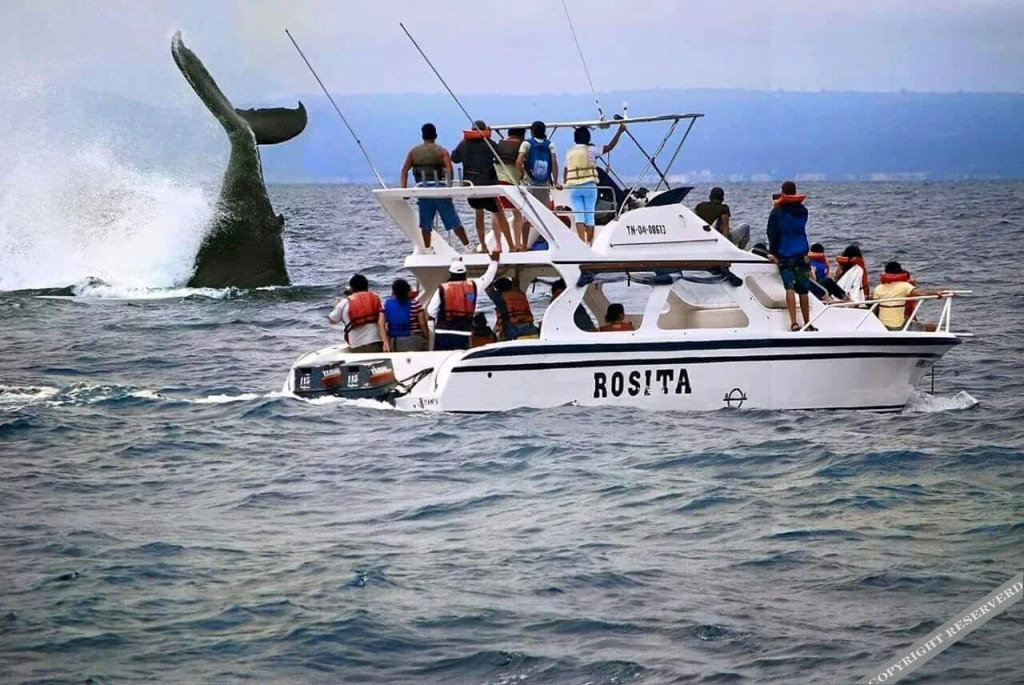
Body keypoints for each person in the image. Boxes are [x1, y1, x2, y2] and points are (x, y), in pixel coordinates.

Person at [400, 123, 471, 252]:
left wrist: (404, 191)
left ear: (422, 136)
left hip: (423, 192)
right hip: (440, 191)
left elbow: (404, 170)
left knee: (425, 224)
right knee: (454, 222)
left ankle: (427, 249)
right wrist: (449, 188)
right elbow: (449, 169)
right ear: (435, 135)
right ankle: (468, 247)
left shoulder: (413, 152)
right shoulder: (441, 151)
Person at [451, 120, 515, 252]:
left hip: (472, 186)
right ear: (484, 130)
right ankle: (511, 246)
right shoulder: (488, 143)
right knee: (499, 213)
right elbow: (500, 154)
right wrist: (489, 136)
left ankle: (484, 246)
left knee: (478, 214)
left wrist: (464, 142)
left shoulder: (464, 144)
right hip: (489, 184)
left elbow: (455, 158)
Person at [563, 123, 626, 243]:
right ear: (588, 139)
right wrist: (619, 131)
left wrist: (565, 185)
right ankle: (589, 241)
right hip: (589, 186)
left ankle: (581, 242)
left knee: (579, 216)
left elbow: (566, 170)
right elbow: (609, 147)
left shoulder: (569, 153)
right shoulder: (591, 150)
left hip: (574, 188)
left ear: (575, 139)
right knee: (589, 214)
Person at [766, 181, 813, 331]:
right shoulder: (803, 211)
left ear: (782, 192)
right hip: (801, 254)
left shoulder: (777, 212)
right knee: (804, 290)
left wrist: (773, 252)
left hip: (785, 254)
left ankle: (793, 322)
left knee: (789, 287)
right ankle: (807, 322)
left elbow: (772, 234)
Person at [427, 256, 498, 350]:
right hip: (463, 333)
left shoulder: (443, 288)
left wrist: (441, 319)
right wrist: (494, 261)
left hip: (443, 332)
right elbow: (487, 278)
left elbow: (431, 310)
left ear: (450, 274)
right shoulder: (473, 285)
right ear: (465, 274)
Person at [872, 261, 948, 332]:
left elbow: (874, 307)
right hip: (899, 327)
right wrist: (936, 293)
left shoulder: (878, 288)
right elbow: (921, 293)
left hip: (882, 326)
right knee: (932, 327)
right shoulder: (904, 286)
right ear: (900, 272)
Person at [516, 121, 559, 239]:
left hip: (529, 183)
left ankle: (524, 245)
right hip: (543, 184)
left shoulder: (526, 143)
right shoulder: (550, 145)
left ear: (532, 131)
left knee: (527, 216)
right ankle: (547, 240)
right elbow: (554, 162)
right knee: (545, 214)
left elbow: (519, 161)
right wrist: (555, 181)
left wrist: (522, 174)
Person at [327, 273, 383, 353]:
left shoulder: (344, 303)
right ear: (367, 287)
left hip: (357, 347)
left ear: (351, 289)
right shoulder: (376, 299)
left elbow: (332, 321)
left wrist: (336, 306)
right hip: (378, 344)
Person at [495, 127, 527, 250]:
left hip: (496, 181)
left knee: (496, 212)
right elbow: (521, 163)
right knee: (517, 213)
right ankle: (517, 244)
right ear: (522, 134)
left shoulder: (498, 143)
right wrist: (523, 174)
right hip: (512, 182)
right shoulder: (522, 145)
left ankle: (498, 245)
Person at [378, 278, 429, 352]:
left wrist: (385, 341)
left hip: (395, 341)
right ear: (408, 290)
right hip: (415, 340)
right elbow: (423, 324)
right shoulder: (416, 304)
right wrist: (427, 338)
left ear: (393, 291)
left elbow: (381, 324)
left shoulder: (386, 305)